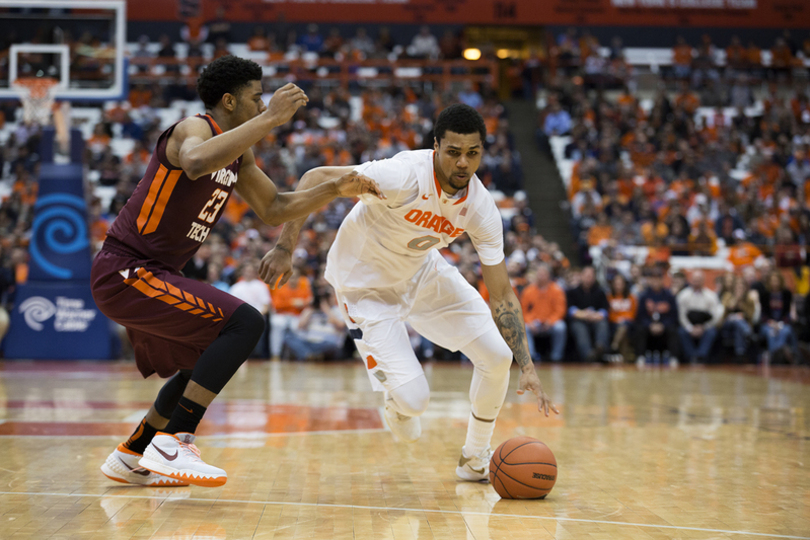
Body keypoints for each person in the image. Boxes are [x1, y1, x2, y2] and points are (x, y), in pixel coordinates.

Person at [91, 55, 383, 488]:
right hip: (127, 269)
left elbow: (274, 208)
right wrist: (270, 118)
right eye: (256, 98)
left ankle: (133, 453)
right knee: (246, 322)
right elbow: (193, 162)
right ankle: (176, 442)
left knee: (200, 362)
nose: (262, 103)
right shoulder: (195, 129)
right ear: (229, 101)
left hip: (154, 272)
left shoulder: (238, 154)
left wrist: (334, 190)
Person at [262, 103, 558, 482]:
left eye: (473, 153)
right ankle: (396, 399)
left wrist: (528, 365)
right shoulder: (401, 176)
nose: (463, 164)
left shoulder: (481, 207)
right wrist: (286, 247)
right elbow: (314, 176)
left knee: (499, 357)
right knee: (415, 405)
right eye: (453, 153)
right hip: (363, 287)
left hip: (421, 273)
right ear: (436, 148)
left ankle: (474, 458)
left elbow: (502, 293)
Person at [520, 263, 567, 363]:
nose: (541, 276)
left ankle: (556, 357)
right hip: (534, 322)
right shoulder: (528, 290)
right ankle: (530, 356)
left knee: (560, 327)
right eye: (539, 273)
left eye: (543, 274)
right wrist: (530, 322)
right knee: (524, 327)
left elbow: (560, 310)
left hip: (550, 322)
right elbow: (523, 311)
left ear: (549, 275)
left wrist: (550, 322)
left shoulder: (557, 290)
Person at [676, 270, 724, 364]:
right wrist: (690, 328)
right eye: (694, 280)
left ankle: (701, 356)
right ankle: (692, 356)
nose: (696, 283)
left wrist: (703, 327)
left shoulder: (711, 296)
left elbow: (715, 316)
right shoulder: (683, 295)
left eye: (699, 280)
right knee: (681, 331)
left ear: (703, 281)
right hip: (689, 325)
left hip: (705, 326)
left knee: (712, 332)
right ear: (690, 280)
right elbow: (681, 316)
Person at [635, 269, 679, 366]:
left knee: (673, 330)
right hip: (649, 326)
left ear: (662, 280)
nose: (655, 281)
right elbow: (640, 316)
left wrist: (662, 325)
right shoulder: (644, 296)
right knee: (639, 329)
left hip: (664, 326)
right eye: (653, 279)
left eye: (658, 279)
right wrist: (650, 325)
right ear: (649, 280)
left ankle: (673, 357)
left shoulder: (669, 296)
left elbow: (673, 316)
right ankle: (640, 357)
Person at [566, 266, 610, 362]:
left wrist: (595, 315)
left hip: (595, 319)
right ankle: (588, 355)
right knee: (579, 328)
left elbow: (605, 311)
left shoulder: (600, 292)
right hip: (579, 320)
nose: (588, 278)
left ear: (594, 278)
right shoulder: (572, 292)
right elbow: (571, 311)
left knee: (602, 324)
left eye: (590, 276)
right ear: (581, 276)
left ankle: (600, 347)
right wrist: (584, 314)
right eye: (586, 276)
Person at [759, 271, 798, 364]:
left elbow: (787, 313)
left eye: (776, 280)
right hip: (768, 323)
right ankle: (776, 357)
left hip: (783, 323)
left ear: (780, 281)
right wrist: (771, 323)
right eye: (772, 281)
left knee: (784, 331)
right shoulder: (765, 294)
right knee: (771, 333)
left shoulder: (786, 294)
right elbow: (763, 314)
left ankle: (778, 358)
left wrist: (780, 323)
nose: (775, 283)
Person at [720, 275, 759, 362]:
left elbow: (751, 316)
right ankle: (748, 333)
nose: (739, 289)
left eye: (741, 287)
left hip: (739, 326)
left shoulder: (749, 299)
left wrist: (742, 307)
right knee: (737, 321)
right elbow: (722, 313)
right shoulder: (727, 296)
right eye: (737, 287)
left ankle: (740, 353)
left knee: (738, 325)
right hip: (727, 325)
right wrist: (734, 302)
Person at [607, 273, 636, 362]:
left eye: (620, 284)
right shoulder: (609, 297)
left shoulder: (631, 297)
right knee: (623, 331)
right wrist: (617, 319)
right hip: (614, 323)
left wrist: (624, 318)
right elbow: (609, 313)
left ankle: (614, 346)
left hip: (628, 323)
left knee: (624, 327)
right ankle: (624, 359)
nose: (618, 286)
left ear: (624, 285)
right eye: (616, 284)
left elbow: (633, 313)